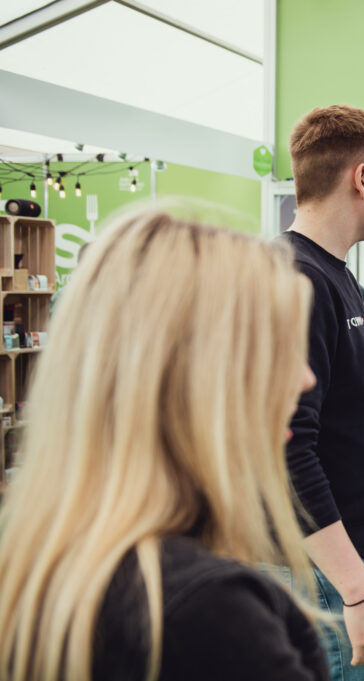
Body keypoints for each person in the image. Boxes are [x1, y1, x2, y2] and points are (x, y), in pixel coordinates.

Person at [0, 208, 328, 680]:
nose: (305, 379)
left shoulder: (50, 561)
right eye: (275, 353)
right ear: (199, 379)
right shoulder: (208, 613)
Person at [280, 105, 364, 681]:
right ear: (361, 178)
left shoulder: (336, 274)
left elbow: (352, 416)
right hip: (326, 572)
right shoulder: (296, 279)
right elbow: (285, 449)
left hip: (357, 549)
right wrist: (357, 589)